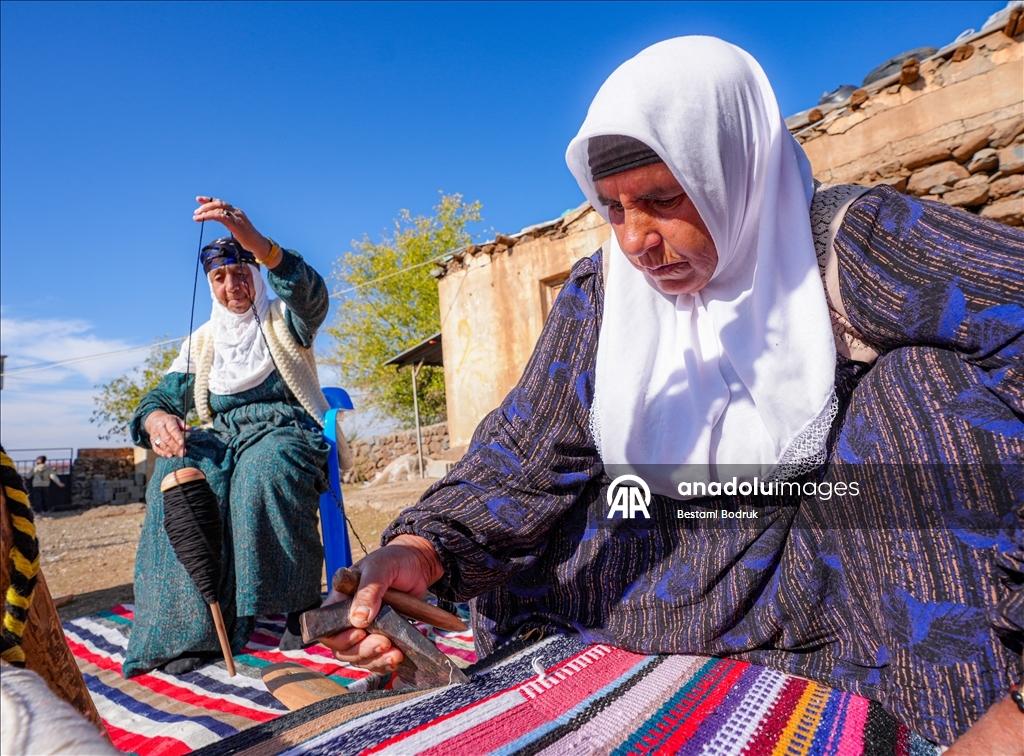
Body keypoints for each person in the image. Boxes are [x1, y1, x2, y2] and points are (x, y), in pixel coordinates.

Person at [320, 37, 1023, 751]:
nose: (637, 242)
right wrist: (421, 550)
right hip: (647, 587)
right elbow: (525, 450)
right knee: (539, 529)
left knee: (927, 391)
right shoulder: (604, 296)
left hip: (823, 592)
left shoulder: (857, 243)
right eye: (614, 209)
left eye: (661, 199)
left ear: (734, 171)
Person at [123, 197, 332, 676]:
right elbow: (156, 400)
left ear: (255, 274)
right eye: (219, 277)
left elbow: (312, 296)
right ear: (210, 284)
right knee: (179, 480)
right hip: (222, 436)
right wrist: (158, 423)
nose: (232, 284)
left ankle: (294, 608)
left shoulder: (284, 317)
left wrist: (256, 242)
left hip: (283, 427)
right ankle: (188, 631)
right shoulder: (202, 341)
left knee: (265, 471)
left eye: (241, 272)